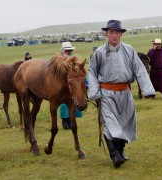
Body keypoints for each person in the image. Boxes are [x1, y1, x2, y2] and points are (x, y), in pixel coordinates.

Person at [87, 20, 155, 168]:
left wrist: (147, 89)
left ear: (121, 34)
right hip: (106, 93)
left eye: (117, 32)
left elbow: (139, 70)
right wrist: (94, 92)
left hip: (125, 92)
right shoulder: (99, 52)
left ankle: (120, 151)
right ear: (106, 34)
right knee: (110, 123)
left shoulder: (129, 50)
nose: (115, 35)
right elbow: (91, 73)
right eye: (111, 32)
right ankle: (115, 155)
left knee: (125, 123)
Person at [59, 42, 83, 129]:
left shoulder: (73, 58)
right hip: (63, 84)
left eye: (70, 50)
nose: (69, 51)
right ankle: (64, 120)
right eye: (67, 50)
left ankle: (70, 119)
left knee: (73, 101)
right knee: (63, 103)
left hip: (72, 83)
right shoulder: (59, 59)